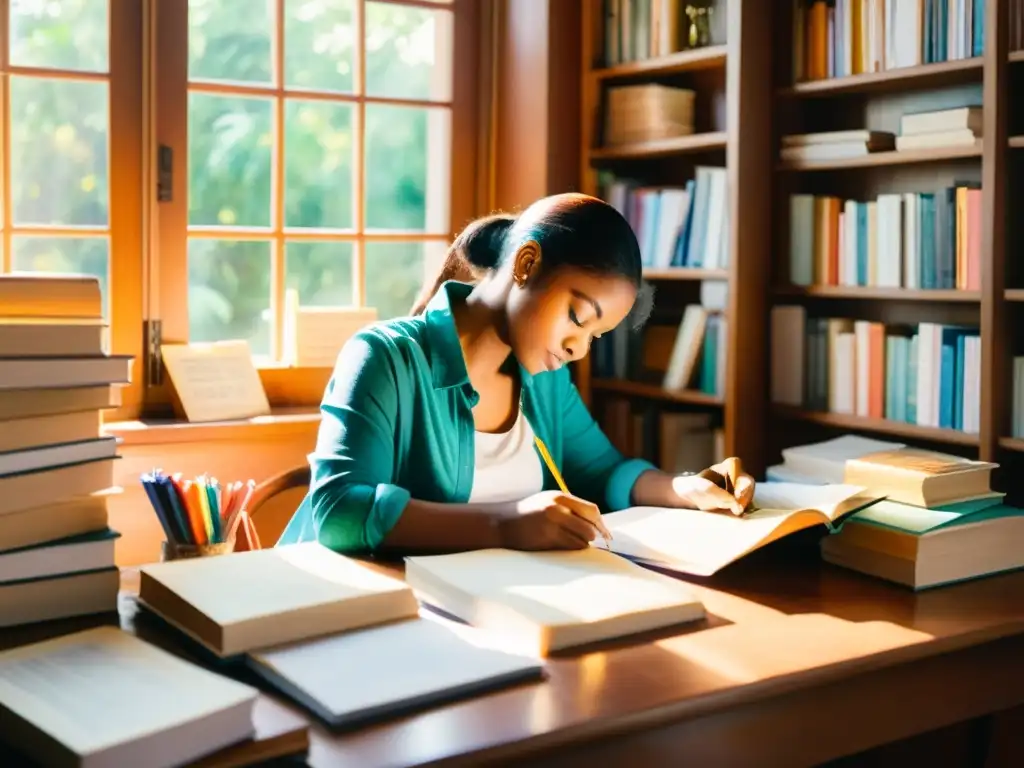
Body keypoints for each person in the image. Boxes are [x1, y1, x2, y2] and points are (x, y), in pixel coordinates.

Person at [277, 192, 755, 554]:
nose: (577, 348)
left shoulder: (543, 380)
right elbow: (340, 510)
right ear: (526, 263)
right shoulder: (385, 356)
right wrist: (504, 524)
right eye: (577, 317)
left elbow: (601, 472)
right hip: (358, 623)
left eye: (594, 336)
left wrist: (685, 488)